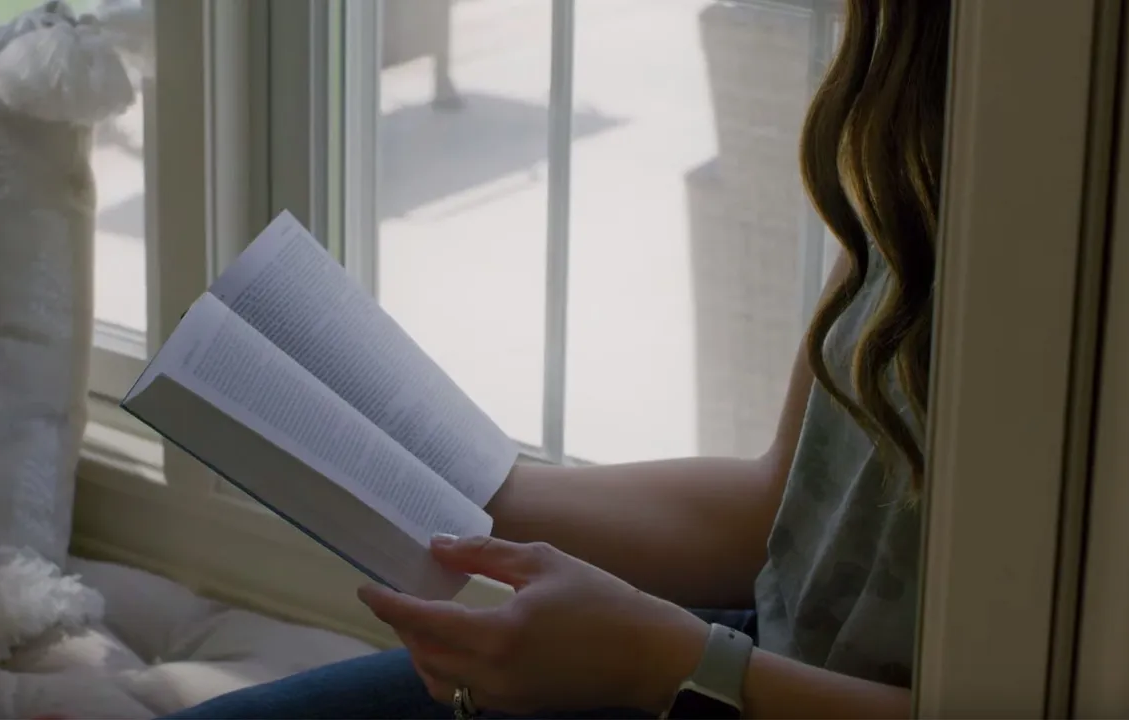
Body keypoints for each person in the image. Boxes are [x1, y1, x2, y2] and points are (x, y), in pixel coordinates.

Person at [163, 0, 951, 717]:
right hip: (743, 657)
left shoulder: (1014, 176)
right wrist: (476, 497)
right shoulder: (919, 122)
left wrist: (658, 663)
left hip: (727, 683)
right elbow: (782, 515)